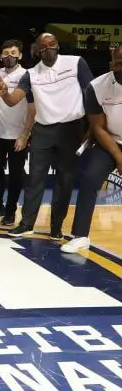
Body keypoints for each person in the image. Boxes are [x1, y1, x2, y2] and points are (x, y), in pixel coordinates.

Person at [0, 33, 93, 239]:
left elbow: (91, 94)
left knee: (65, 180)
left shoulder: (76, 62)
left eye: (51, 45)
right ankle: (27, 223)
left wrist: (92, 127)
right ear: (37, 51)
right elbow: (13, 100)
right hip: (43, 129)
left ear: (58, 46)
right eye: (43, 47)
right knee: (34, 178)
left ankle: (56, 226)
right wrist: (4, 92)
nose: (48, 49)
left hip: (71, 127)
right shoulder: (31, 74)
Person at [61, 47, 122, 253]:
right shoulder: (96, 87)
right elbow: (98, 127)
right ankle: (80, 236)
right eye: (120, 63)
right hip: (110, 140)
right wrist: (119, 157)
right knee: (89, 180)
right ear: (112, 64)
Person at [0, 40, 35, 226]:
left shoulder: (27, 75)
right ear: (0, 56)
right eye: (6, 53)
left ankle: (11, 211)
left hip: (18, 134)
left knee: (16, 175)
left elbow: (33, 109)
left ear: (20, 55)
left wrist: (25, 134)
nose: (9, 56)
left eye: (13, 52)